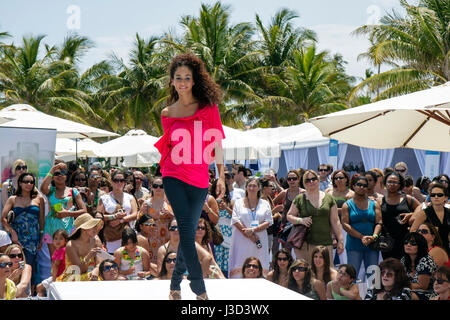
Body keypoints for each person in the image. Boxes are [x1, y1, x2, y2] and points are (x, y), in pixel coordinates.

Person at [154, 52, 226, 300]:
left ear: (194, 80)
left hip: (199, 179)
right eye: (178, 77)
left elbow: (217, 143)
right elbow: (170, 146)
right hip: (173, 174)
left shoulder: (209, 108)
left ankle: (175, 285)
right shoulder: (167, 112)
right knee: (186, 230)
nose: (183, 82)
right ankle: (199, 288)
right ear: (172, 81)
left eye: (187, 77)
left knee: (187, 232)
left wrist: (222, 177)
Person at [286, 170, 344, 265]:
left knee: (327, 272)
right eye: (308, 180)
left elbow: (335, 220)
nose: (311, 182)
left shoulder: (329, 198)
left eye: (313, 179)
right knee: (306, 273)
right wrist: (300, 220)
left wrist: (340, 240)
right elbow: (289, 216)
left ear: (318, 180)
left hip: (325, 242)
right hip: (305, 244)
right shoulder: (300, 198)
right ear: (304, 183)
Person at [1, 172, 45, 289]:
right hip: (17, 238)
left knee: (30, 264)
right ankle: (12, 289)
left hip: (33, 239)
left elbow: (41, 219)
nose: (29, 184)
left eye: (31, 182)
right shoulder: (13, 199)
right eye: (26, 181)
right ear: (20, 183)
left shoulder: (39, 199)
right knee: (16, 264)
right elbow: (3, 218)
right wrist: (12, 231)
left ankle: (31, 292)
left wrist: (41, 237)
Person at [40, 161, 87, 256]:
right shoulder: (50, 191)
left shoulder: (73, 191)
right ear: (53, 176)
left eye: (63, 173)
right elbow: (42, 188)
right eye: (56, 174)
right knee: (54, 260)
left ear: (66, 176)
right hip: (51, 228)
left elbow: (84, 211)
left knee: (68, 259)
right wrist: (53, 169)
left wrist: (67, 213)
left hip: (68, 228)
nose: (60, 175)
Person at [229, 178, 273, 278]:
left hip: (259, 239)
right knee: (241, 261)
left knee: (259, 261)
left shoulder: (264, 203)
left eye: (254, 186)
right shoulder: (238, 202)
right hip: (241, 239)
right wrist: (249, 235)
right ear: (246, 187)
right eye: (249, 186)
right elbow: (235, 220)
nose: (251, 188)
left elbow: (268, 221)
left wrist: (253, 230)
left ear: (259, 188)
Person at [341, 176, 382, 279]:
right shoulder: (347, 204)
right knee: (351, 276)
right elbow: (345, 224)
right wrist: (361, 237)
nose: (362, 187)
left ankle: (373, 295)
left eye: (364, 185)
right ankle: (350, 295)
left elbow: (379, 222)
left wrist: (374, 236)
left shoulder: (374, 203)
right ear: (353, 186)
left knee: (373, 277)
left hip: (372, 244)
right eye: (359, 185)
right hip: (354, 244)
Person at [378, 172, 420, 260]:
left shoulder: (408, 199)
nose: (392, 184)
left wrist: (411, 214)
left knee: (404, 266)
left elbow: (421, 209)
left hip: (405, 240)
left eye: (395, 182)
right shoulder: (379, 201)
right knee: (388, 266)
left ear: (400, 184)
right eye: (389, 182)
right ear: (385, 183)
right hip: (386, 240)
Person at [96, 170, 138, 254]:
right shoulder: (104, 198)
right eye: (116, 180)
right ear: (111, 181)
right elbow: (98, 216)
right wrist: (114, 216)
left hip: (127, 237)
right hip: (111, 238)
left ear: (125, 182)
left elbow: (134, 215)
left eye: (122, 180)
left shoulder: (130, 197)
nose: (119, 183)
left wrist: (120, 220)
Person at [56, 213, 103, 282]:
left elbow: (99, 262)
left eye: (95, 225)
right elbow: (79, 270)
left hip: (92, 274)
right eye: (92, 226)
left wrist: (96, 270)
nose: (95, 228)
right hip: (73, 277)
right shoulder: (71, 245)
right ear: (83, 229)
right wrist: (88, 257)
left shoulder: (96, 240)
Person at [138, 176, 173, 263]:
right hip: (151, 237)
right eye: (155, 186)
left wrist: (170, 215)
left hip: (167, 237)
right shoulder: (147, 204)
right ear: (151, 187)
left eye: (161, 186)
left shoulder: (170, 203)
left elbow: (177, 219)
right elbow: (139, 221)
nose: (158, 188)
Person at [410, 182, 449, 256]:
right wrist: (425, 234)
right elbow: (412, 231)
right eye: (433, 195)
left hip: (446, 250)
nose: (436, 197)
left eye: (439, 195)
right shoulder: (424, 213)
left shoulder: (448, 212)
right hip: (428, 251)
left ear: (446, 197)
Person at [272, 170, 305, 254]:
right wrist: (276, 212)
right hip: (285, 227)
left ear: (298, 179)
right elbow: (271, 203)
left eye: (294, 178)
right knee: (286, 253)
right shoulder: (284, 193)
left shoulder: (304, 193)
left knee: (300, 252)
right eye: (289, 179)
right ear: (287, 180)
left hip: (299, 227)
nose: (292, 181)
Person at [325, 169, 354, 264]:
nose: (338, 180)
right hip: (328, 226)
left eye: (341, 177)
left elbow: (350, 210)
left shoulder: (351, 194)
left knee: (344, 253)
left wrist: (333, 210)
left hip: (344, 226)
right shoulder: (328, 192)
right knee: (328, 253)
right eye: (336, 178)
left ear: (346, 179)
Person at [401, 232, 437, 300]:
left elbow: (422, 286)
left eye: (413, 243)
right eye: (406, 242)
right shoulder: (404, 260)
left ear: (420, 245)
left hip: (429, 293)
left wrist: (400, 285)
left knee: (405, 294)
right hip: (410, 291)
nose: (408, 245)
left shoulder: (426, 260)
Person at [210, 178, 234, 277]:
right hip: (217, 235)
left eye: (222, 189)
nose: (219, 191)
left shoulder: (230, 202)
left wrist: (226, 208)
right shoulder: (210, 201)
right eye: (217, 188)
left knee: (228, 262)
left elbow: (236, 217)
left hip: (229, 235)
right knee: (217, 261)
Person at [36, 229, 69, 297]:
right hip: (57, 276)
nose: (57, 241)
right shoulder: (58, 250)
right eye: (55, 239)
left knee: (39, 288)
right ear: (52, 241)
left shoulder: (62, 250)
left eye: (60, 239)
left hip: (59, 277)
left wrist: (54, 280)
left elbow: (56, 265)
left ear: (65, 241)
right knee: (40, 288)